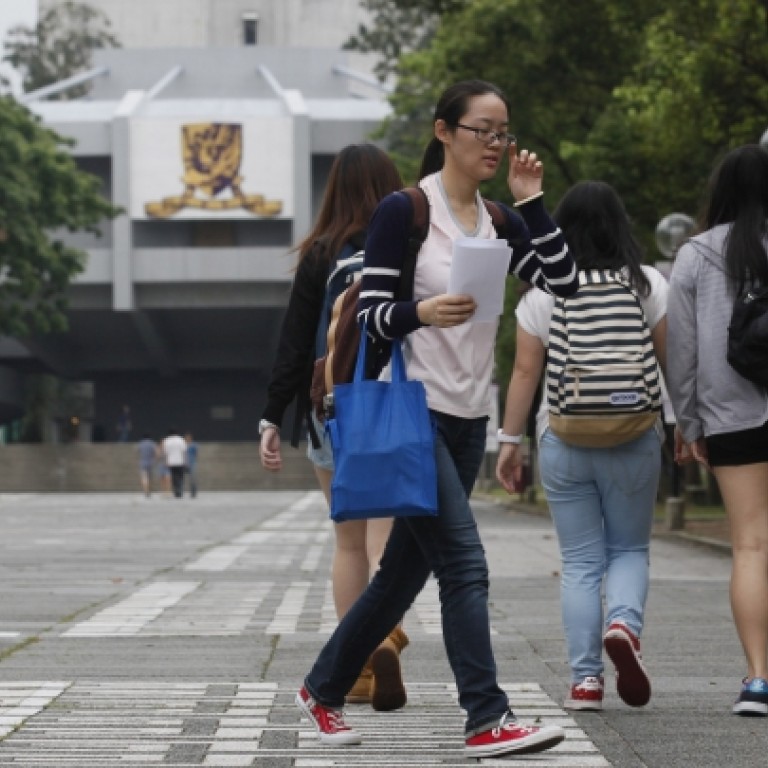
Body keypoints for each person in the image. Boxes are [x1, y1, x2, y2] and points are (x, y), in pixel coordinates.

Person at [295, 79, 578, 758]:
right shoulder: (407, 211)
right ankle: (486, 716)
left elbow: (563, 284)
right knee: (464, 564)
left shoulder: (502, 220)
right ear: (445, 131)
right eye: (483, 129)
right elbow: (374, 316)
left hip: (466, 413)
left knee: (400, 574)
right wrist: (422, 312)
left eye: (504, 130)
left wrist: (535, 204)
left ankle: (322, 686)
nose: (496, 143)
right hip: (412, 411)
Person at [495, 181, 668, 713]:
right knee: (630, 549)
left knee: (579, 562)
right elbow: (668, 362)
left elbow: (526, 372)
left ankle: (585, 683)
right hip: (636, 432)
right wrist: (684, 426)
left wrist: (509, 442)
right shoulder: (648, 284)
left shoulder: (541, 293)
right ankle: (623, 623)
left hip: (564, 437)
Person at [259, 144, 409, 710]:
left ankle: (358, 664)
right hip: (396, 406)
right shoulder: (409, 244)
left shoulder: (321, 252)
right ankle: (387, 635)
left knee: (347, 542)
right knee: (386, 544)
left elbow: (296, 342)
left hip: (333, 411)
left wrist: (273, 417)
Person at [666, 145, 768, 717]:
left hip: (732, 417)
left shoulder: (697, 254)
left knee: (752, 545)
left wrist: (689, 421)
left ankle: (758, 680)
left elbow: (681, 353)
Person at [162, 428, 187, 498]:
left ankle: (176, 491)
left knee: (174, 477)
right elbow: (184, 451)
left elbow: (165, 453)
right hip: (180, 462)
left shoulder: (166, 440)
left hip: (171, 462)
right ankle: (180, 490)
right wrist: (185, 461)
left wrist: (166, 462)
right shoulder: (181, 440)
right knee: (181, 477)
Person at [136, 433, 159, 498]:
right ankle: (149, 490)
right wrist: (155, 459)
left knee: (144, 478)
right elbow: (157, 452)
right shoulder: (152, 443)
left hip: (142, 462)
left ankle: (146, 491)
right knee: (150, 477)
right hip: (151, 462)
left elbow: (137, 450)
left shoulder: (141, 443)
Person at [185, 432, 199, 498]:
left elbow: (196, 453)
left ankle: (193, 492)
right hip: (185, 463)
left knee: (193, 479)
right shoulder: (184, 445)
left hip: (192, 463)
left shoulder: (194, 445)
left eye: (188, 438)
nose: (187, 439)